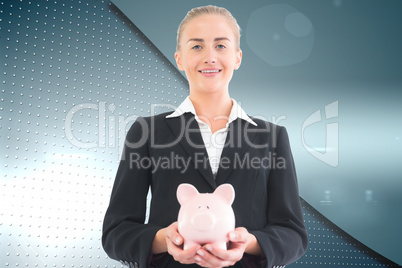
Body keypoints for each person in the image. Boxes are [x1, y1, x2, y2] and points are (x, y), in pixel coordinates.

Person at [102, 5, 308, 268]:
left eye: (221, 46)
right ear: (179, 58)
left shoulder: (271, 137)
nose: (210, 57)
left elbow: (293, 234)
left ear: (237, 57)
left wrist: (250, 243)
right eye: (197, 46)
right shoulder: (146, 132)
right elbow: (115, 233)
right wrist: (163, 239)